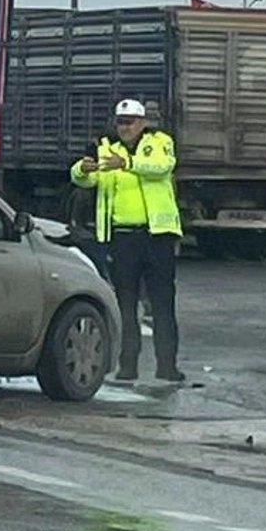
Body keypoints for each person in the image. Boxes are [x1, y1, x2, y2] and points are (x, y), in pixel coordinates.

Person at [70, 98, 184, 382]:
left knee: (162, 303)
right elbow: (87, 180)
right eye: (121, 122)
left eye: (131, 121)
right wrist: (82, 170)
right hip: (122, 236)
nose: (125, 127)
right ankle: (128, 366)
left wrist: (128, 163)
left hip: (158, 234)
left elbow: (162, 167)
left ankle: (167, 366)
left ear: (142, 122)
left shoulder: (159, 141)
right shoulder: (107, 148)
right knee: (125, 303)